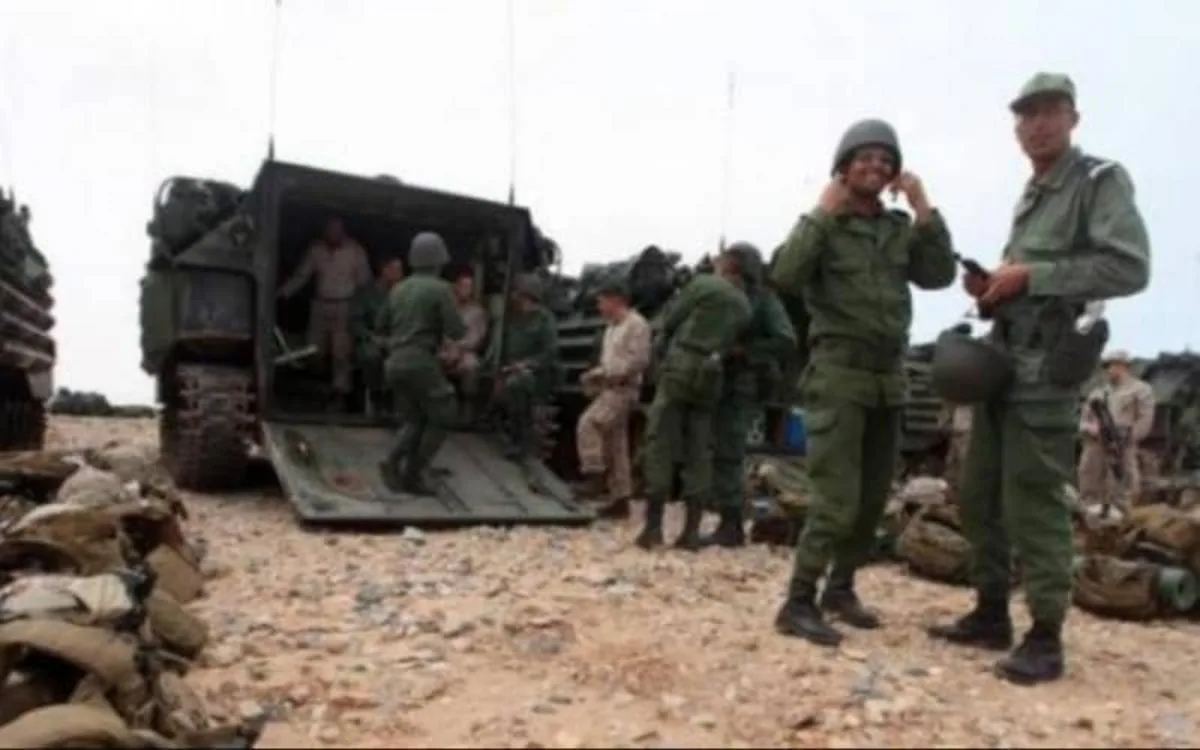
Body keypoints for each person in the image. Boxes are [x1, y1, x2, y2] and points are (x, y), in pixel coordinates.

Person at [928, 72, 1151, 686]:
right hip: (1004, 365)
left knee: (1035, 501)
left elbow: (1129, 268)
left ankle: (1046, 635)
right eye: (1026, 115)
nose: (1038, 124)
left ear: (1073, 119)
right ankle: (991, 611)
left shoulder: (1098, 181)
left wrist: (1032, 276)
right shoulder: (1033, 195)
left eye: (1050, 111)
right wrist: (994, 288)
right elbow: (1027, 278)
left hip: (1048, 374)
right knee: (979, 494)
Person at [769, 118, 956, 647]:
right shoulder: (825, 225)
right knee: (836, 497)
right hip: (839, 375)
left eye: (885, 160)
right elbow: (785, 274)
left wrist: (923, 209)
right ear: (844, 167)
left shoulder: (896, 229)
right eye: (865, 158)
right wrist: (821, 211)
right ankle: (798, 601)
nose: (876, 166)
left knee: (873, 497)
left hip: (887, 377)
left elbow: (938, 275)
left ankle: (841, 588)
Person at [636, 248, 752, 551]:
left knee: (660, 439)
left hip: (682, 365)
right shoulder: (745, 306)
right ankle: (690, 532)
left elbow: (672, 319)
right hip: (712, 375)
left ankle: (653, 528)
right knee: (699, 448)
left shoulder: (704, 285)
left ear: (726, 265)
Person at [701, 242, 797, 548]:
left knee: (730, 451)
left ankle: (732, 525)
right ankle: (727, 516)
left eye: (728, 268)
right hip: (722, 382)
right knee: (719, 449)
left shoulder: (764, 300)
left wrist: (746, 352)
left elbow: (785, 340)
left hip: (745, 382)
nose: (722, 273)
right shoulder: (725, 297)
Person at [376, 232, 466, 495]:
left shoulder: (398, 289)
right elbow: (456, 330)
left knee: (414, 418)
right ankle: (412, 472)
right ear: (439, 260)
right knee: (444, 413)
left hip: (394, 363)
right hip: (421, 361)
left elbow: (381, 326)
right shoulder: (440, 289)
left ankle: (394, 464)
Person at [576, 278, 652, 520]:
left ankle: (594, 474)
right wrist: (596, 376)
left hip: (624, 388)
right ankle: (621, 499)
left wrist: (604, 373)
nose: (599, 306)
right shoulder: (611, 328)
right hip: (609, 388)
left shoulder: (636, 325)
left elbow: (638, 361)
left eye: (602, 301)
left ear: (616, 300)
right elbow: (609, 361)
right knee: (615, 445)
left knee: (590, 424)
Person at [277, 217, 372, 410]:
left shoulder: (356, 251)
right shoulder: (316, 249)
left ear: (342, 230)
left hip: (345, 305)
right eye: (328, 230)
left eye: (335, 229)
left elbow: (364, 282)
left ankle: (339, 393)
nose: (331, 233)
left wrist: (362, 309)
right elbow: (302, 275)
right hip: (320, 304)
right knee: (314, 349)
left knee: (341, 352)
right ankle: (317, 389)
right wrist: (283, 293)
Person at [489, 273, 560, 460]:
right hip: (506, 367)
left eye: (519, 294)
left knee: (517, 384)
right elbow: (496, 345)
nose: (515, 298)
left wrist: (526, 364)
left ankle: (518, 441)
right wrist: (495, 367)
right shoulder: (509, 317)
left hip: (535, 374)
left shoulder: (544, 320)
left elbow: (550, 352)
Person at [1078, 350, 1155, 514]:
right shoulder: (1098, 393)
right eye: (1108, 366)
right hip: (1096, 443)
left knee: (1122, 481)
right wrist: (1089, 428)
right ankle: (1091, 514)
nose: (1110, 370)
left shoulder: (1141, 390)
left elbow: (1145, 420)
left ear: (1124, 367)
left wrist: (1127, 437)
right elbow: (1083, 419)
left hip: (1122, 443)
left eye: (1114, 365)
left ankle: (1120, 514)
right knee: (1089, 478)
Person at [350, 255, 405, 413]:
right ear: (384, 270)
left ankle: (395, 398)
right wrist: (371, 337)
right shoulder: (366, 292)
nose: (399, 274)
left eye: (400, 270)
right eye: (395, 269)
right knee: (371, 356)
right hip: (371, 338)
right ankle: (376, 394)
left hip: (398, 339)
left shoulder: (405, 292)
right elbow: (355, 321)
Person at [440, 270, 491, 422]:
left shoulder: (477, 312)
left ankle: (467, 408)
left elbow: (476, 338)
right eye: (463, 286)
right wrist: (448, 347)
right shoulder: (446, 309)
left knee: (471, 366)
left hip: (465, 351)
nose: (465, 290)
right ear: (455, 287)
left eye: (469, 287)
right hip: (443, 348)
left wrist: (459, 348)